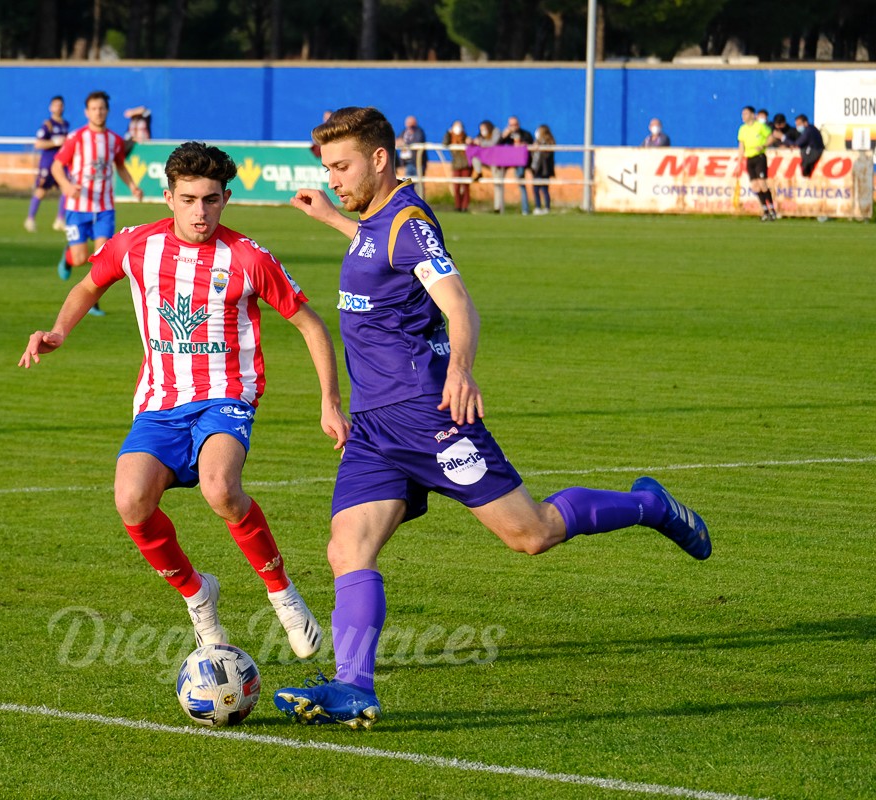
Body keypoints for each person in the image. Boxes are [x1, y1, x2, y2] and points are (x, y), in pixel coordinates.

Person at [275, 106, 711, 729]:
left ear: (379, 158)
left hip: (429, 415)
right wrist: (334, 218)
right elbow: (380, 257)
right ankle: (353, 687)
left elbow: (458, 303)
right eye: (327, 167)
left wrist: (460, 369)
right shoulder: (376, 223)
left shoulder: (410, 222)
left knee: (530, 534)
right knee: (348, 548)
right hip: (374, 427)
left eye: (342, 166)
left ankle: (650, 505)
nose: (334, 176)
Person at [18, 141, 349, 661]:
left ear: (225, 199)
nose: (201, 212)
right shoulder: (134, 245)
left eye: (212, 200)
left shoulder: (248, 257)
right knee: (131, 500)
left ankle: (283, 594)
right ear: (168, 197)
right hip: (159, 403)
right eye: (190, 199)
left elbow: (310, 325)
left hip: (226, 395)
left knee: (221, 488)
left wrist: (330, 400)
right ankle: (199, 598)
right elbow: (88, 285)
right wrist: (59, 331)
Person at [52, 90, 145, 316]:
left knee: (102, 258)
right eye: (94, 108)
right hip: (78, 207)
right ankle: (68, 257)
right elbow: (56, 166)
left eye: (102, 108)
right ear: (87, 112)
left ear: (107, 111)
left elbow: (120, 166)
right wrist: (65, 185)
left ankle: (93, 303)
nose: (98, 112)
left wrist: (132, 186)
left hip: (104, 208)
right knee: (80, 258)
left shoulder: (114, 140)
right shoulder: (76, 138)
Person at [24, 95, 70, 233]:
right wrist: (55, 142)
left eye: (60, 105)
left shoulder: (65, 124)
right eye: (56, 105)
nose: (58, 108)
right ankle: (30, 219)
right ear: (51, 108)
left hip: (61, 162)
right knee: (41, 191)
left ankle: (60, 219)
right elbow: (38, 143)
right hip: (48, 162)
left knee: (66, 188)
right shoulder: (47, 125)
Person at [738, 105, 778, 221]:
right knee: (755, 186)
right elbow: (741, 145)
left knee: (762, 184)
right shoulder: (742, 129)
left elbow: (771, 137)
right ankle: (765, 211)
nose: (743, 116)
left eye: (745, 113)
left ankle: (772, 210)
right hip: (749, 158)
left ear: (752, 114)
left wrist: (763, 145)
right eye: (742, 114)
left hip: (759, 157)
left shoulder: (760, 126)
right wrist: (739, 161)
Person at [498, 115, 534, 215]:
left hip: (520, 163)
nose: (513, 127)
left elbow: (531, 143)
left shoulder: (525, 134)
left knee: (521, 183)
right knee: (498, 181)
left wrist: (523, 144)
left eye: (515, 124)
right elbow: (497, 146)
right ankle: (500, 208)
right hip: (507, 162)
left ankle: (525, 209)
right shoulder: (506, 135)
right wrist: (503, 137)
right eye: (511, 125)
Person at [442, 120, 472, 212]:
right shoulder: (451, 138)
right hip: (456, 165)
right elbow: (445, 143)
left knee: (465, 187)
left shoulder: (465, 137)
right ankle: (457, 206)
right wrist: (448, 132)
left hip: (466, 164)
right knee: (456, 187)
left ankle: (465, 206)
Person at [474, 120, 501, 211]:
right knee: (475, 158)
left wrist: (481, 143)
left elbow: (493, 143)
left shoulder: (496, 131)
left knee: (497, 184)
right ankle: (478, 173)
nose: (482, 131)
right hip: (485, 160)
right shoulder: (481, 136)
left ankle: (498, 207)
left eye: (484, 129)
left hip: (496, 162)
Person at [530, 124, 556, 215]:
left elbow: (547, 155)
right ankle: (537, 207)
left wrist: (540, 147)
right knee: (536, 189)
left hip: (544, 170)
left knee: (544, 189)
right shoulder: (536, 142)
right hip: (536, 169)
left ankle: (547, 207)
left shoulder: (549, 142)